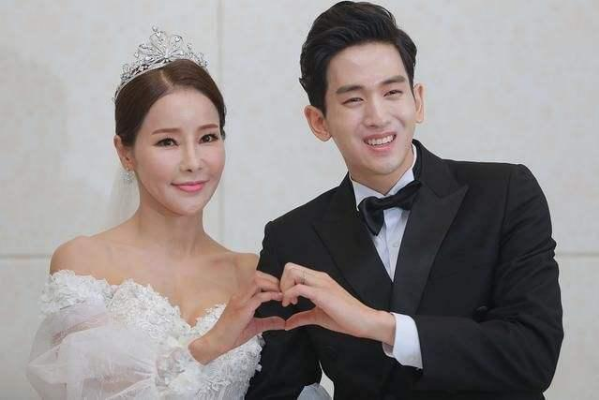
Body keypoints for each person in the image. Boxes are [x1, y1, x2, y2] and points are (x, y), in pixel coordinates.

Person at [247, 2, 563, 399]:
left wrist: (379, 325)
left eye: (392, 92)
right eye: (353, 100)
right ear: (319, 121)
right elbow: (280, 387)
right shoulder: (292, 239)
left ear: (418, 100)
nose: (378, 116)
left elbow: (533, 355)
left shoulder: (505, 193)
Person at [26, 27, 290, 399]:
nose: (193, 161)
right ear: (125, 152)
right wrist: (209, 345)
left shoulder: (251, 273)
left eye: (208, 137)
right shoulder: (82, 264)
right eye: (167, 141)